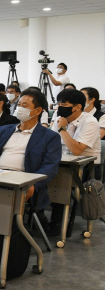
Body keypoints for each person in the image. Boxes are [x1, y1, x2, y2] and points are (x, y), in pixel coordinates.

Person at [0, 88, 62, 270]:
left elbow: (50, 167)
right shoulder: (5, 130)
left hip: (21, 182)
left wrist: (33, 183)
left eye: (25, 105)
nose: (19, 108)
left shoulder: (50, 136)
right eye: (19, 104)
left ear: (38, 111)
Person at [46, 89, 102, 234]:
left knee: (59, 181)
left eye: (63, 103)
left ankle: (57, 224)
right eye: (58, 103)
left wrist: (62, 128)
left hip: (86, 166)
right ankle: (38, 217)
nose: (59, 106)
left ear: (77, 106)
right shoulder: (60, 119)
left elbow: (77, 150)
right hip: (62, 162)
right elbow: (50, 143)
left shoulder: (90, 122)